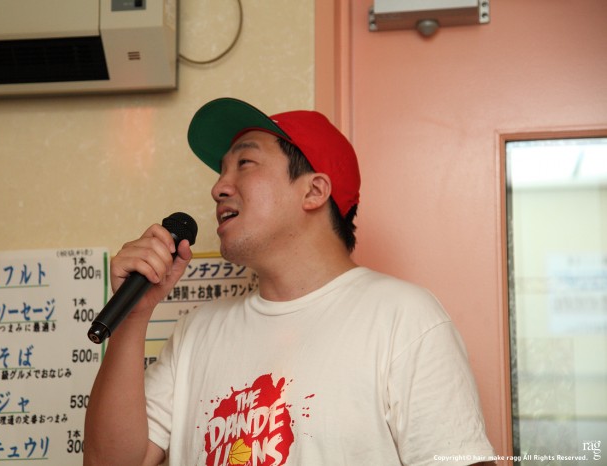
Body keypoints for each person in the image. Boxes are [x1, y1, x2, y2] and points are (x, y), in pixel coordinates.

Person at [84, 97, 496, 466]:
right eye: (222, 171)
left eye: (245, 163)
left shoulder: (403, 318)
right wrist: (134, 316)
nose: (218, 188)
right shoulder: (197, 331)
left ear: (314, 191)